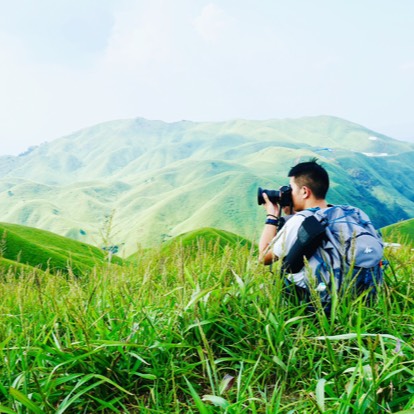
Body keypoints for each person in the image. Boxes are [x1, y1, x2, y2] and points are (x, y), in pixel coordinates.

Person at [258, 159, 383, 307]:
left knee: (279, 279)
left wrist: (272, 216)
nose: (288, 194)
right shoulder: (354, 213)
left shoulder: (299, 220)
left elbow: (264, 257)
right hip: (365, 298)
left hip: (322, 304)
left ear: (305, 191)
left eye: (291, 189)